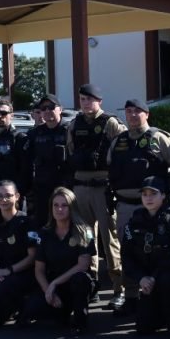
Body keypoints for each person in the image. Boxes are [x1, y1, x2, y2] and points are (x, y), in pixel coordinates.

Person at [106, 98, 170, 313]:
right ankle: (131, 295)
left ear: (146, 114)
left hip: (154, 208)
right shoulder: (118, 140)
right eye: (129, 111)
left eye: (137, 111)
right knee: (128, 250)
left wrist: (163, 189)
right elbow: (110, 168)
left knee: (157, 250)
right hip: (126, 206)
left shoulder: (160, 138)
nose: (132, 115)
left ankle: (159, 294)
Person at [67, 84, 126, 303]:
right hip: (81, 187)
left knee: (110, 239)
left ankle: (118, 289)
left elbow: (123, 149)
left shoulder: (110, 123)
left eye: (90, 99)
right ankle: (90, 283)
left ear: (99, 101)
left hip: (103, 187)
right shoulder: (74, 124)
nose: (85, 103)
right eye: (82, 99)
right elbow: (71, 151)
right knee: (85, 238)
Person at [121, 176, 170, 339]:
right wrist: (141, 278)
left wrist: (154, 277)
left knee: (167, 281)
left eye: (153, 194)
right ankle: (163, 312)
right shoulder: (134, 221)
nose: (148, 198)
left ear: (164, 196)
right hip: (147, 280)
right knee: (143, 327)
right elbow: (127, 255)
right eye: (145, 194)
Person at [30, 187, 97, 334]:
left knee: (81, 279)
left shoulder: (85, 231)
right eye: (56, 205)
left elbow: (83, 265)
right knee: (32, 310)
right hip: (54, 286)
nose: (59, 209)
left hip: (76, 282)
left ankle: (80, 322)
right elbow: (39, 270)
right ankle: (61, 312)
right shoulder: (44, 233)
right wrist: (48, 290)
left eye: (64, 205)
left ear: (72, 208)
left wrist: (54, 283)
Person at [0, 180, 42, 328]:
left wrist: (8, 271)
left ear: (17, 197)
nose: (3, 199)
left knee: (3, 290)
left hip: (24, 273)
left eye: (8, 195)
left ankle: (23, 307)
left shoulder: (27, 222)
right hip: (1, 274)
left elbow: (32, 257)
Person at [24, 94, 71, 227]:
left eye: (51, 107)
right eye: (43, 108)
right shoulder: (34, 134)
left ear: (60, 109)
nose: (47, 111)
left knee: (65, 224)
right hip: (42, 189)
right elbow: (26, 162)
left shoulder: (69, 131)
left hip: (65, 188)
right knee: (43, 225)